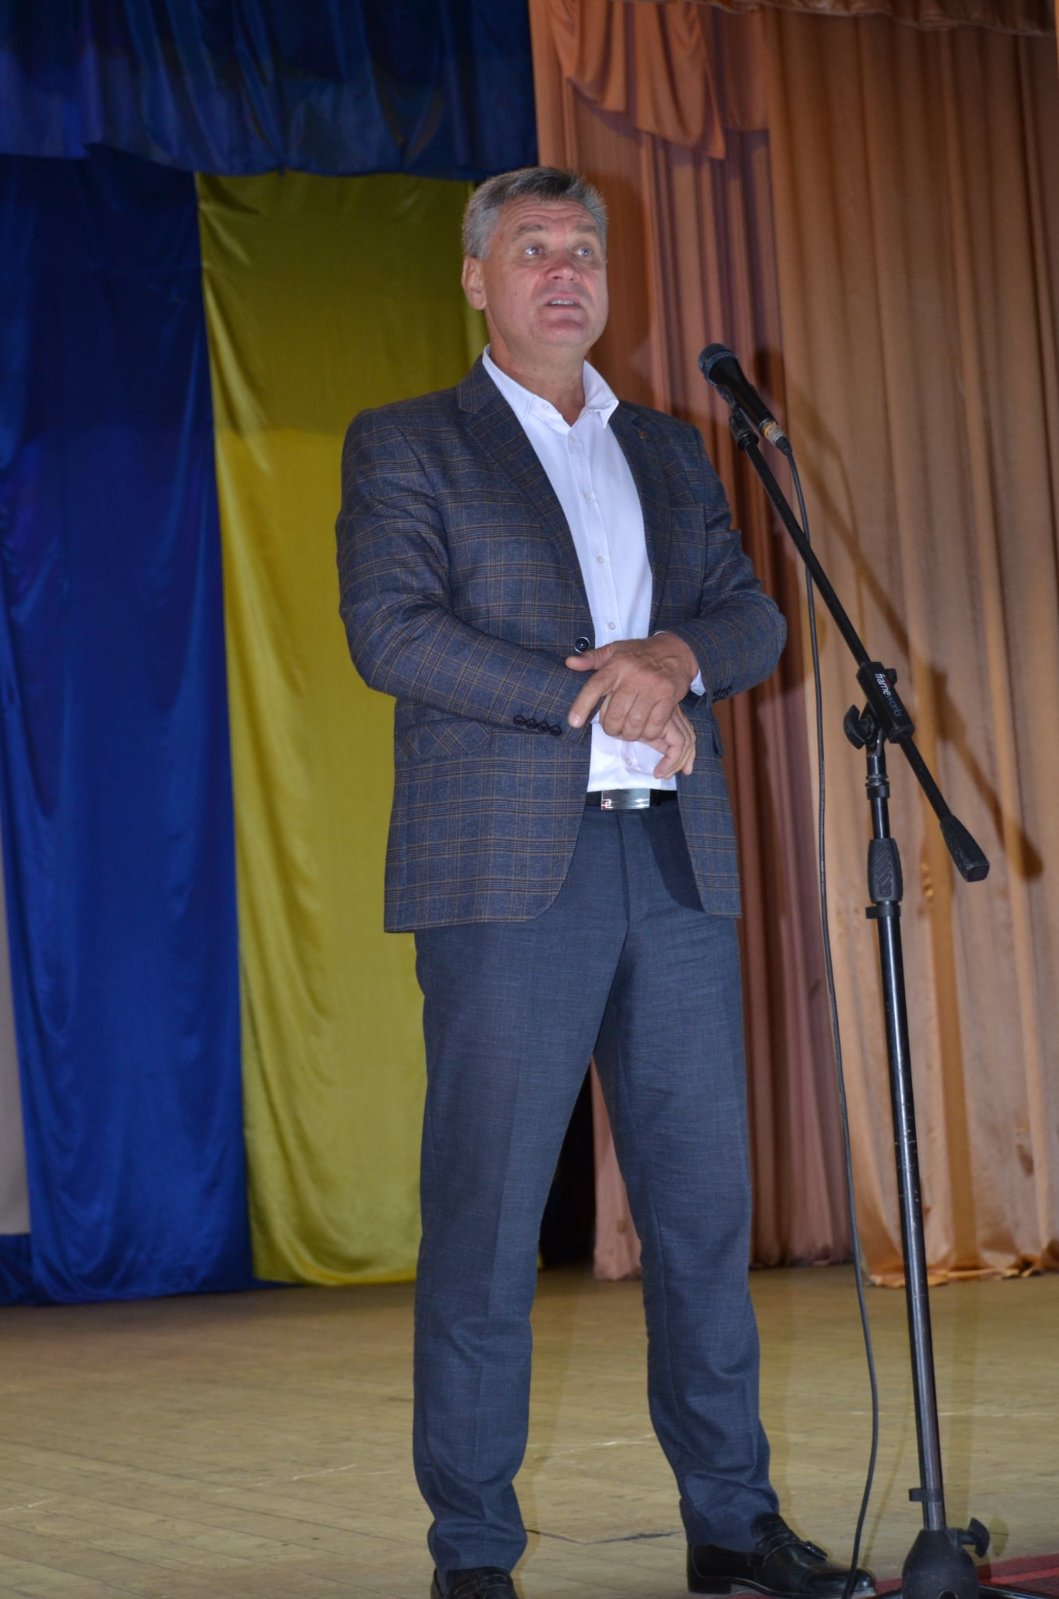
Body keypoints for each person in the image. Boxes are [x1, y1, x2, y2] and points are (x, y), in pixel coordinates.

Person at [336, 166, 873, 1599]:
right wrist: (604, 694)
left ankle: (731, 1523)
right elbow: (392, 631)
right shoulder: (410, 442)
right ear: (476, 280)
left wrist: (676, 658)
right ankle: (473, 1553)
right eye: (532, 250)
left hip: (674, 868)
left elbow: (752, 617)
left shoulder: (675, 448)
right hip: (507, 882)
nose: (565, 272)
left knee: (702, 1220)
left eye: (584, 249)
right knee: (489, 1221)